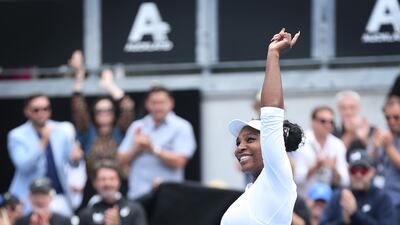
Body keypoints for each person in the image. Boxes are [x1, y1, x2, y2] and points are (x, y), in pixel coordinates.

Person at [220, 28, 302, 224]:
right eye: (238, 141)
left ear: (270, 142)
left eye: (250, 139)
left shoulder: (277, 179)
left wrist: (273, 54)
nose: (240, 147)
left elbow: (272, 113)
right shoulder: (253, 191)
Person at [70, 50, 135, 206]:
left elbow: (128, 108)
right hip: (92, 189)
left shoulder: (120, 133)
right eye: (99, 110)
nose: (104, 114)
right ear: (94, 114)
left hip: (120, 189)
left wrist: (110, 86)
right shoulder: (88, 133)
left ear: (114, 113)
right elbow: (78, 107)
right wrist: (80, 75)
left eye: (108, 110)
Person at [7, 94, 82, 216]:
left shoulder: (59, 129)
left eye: (46, 108)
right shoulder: (16, 135)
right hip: (30, 199)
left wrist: (75, 159)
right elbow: (24, 165)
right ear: (27, 111)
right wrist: (42, 142)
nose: (41, 113)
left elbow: (70, 161)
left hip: (57, 196)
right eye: (36, 110)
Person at [117, 86, 197, 200]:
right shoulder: (137, 126)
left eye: (161, 102)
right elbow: (119, 160)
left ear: (171, 104)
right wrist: (136, 148)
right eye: (154, 103)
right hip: (138, 195)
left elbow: (180, 161)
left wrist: (153, 148)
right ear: (147, 104)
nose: (158, 107)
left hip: (169, 196)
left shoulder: (182, 127)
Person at [320, 149, 396, 225]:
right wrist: (343, 222)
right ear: (348, 172)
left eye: (363, 170)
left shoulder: (381, 198)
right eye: (354, 170)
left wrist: (355, 214)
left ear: (372, 172)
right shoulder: (339, 196)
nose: (358, 175)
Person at [291, 106, 350, 198]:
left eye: (331, 122)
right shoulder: (301, 143)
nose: (328, 125)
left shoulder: (338, 145)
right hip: (303, 199)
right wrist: (316, 166)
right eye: (323, 121)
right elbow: (297, 178)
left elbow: (345, 181)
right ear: (312, 122)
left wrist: (334, 170)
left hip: (327, 201)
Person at [78, 160, 148, 225]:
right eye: (103, 179)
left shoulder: (135, 210)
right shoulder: (86, 215)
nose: (107, 183)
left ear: (119, 181)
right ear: (94, 183)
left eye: (112, 179)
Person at [379, 97, 400, 223]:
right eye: (388, 118)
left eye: (396, 117)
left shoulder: (387, 143)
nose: (392, 121)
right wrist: (375, 149)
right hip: (385, 201)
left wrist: (388, 148)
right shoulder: (385, 137)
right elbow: (370, 164)